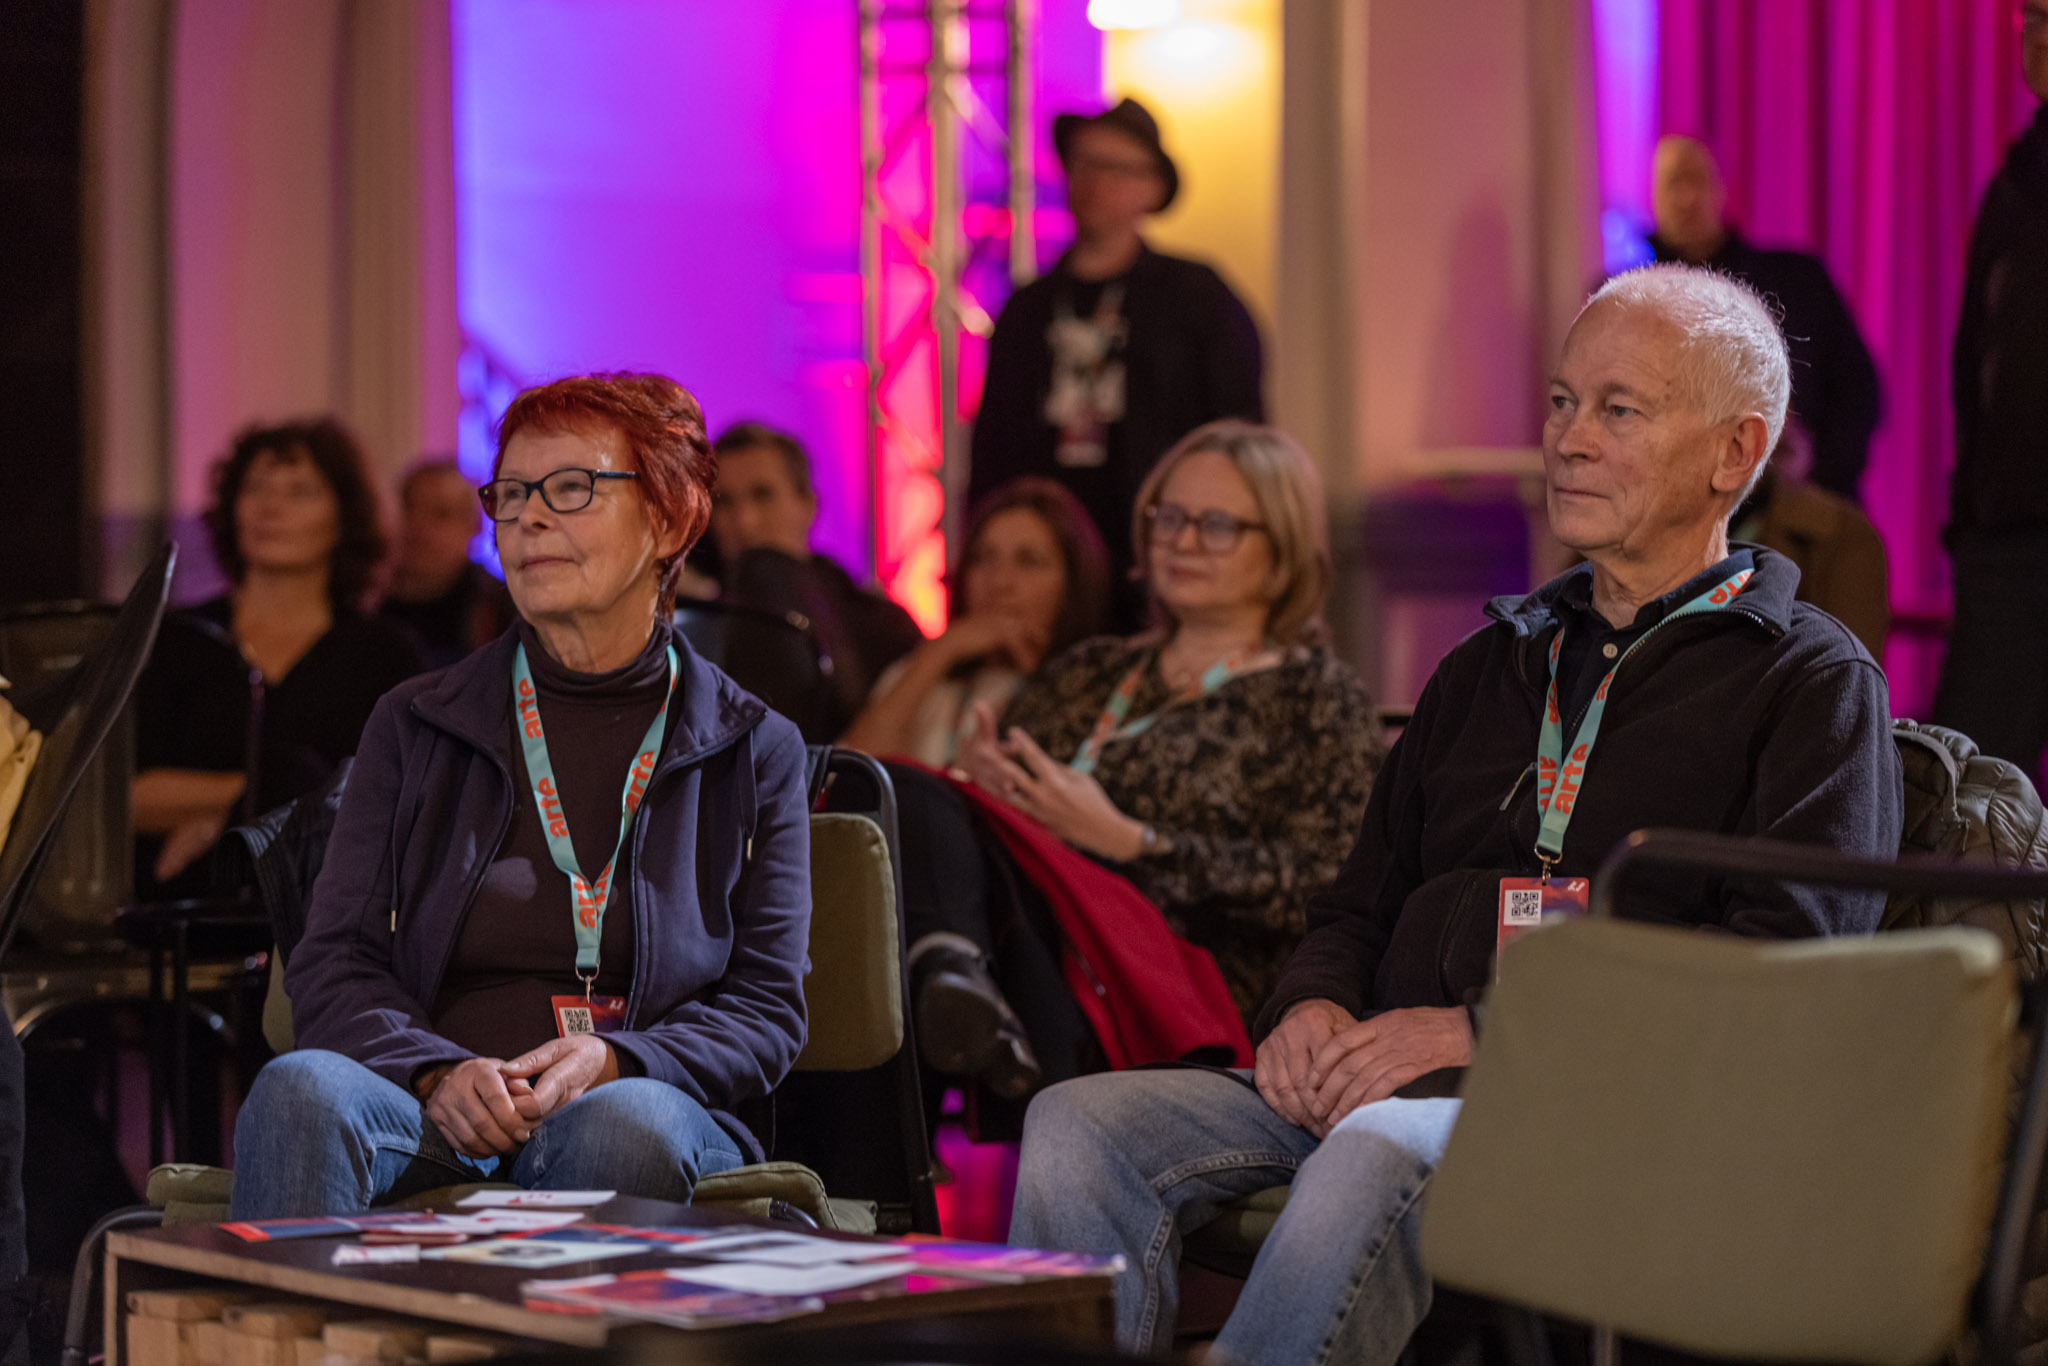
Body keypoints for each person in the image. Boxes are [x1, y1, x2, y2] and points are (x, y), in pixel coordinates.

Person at [1008, 265, 1903, 1366]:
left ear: (1731, 453)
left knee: (1375, 1147)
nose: (1565, 439)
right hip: (1383, 1076)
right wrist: (1311, 1007)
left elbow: (1781, 979)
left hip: (1610, 1102)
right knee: (1078, 1124)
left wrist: (1483, 1033)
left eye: (1616, 409)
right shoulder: (1487, 663)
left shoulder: (1806, 679)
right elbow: (1353, 903)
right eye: (1561, 401)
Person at [227, 373, 812, 1219]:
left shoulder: (755, 747)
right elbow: (333, 963)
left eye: (572, 489)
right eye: (511, 494)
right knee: (301, 1089)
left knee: (625, 1125)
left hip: (648, 1104)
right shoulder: (417, 721)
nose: (528, 517)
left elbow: (765, 1012)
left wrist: (616, 1062)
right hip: (444, 1109)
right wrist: (432, 1070)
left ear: (671, 518)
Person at [897, 421, 1380, 1102]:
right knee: (906, 796)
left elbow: (1329, 886)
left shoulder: (1314, 696)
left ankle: (951, 984)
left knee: (911, 920)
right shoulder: (1093, 670)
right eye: (1169, 517)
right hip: (1045, 940)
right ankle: (945, 992)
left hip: (1186, 982)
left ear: (1282, 551)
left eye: (1215, 525)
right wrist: (984, 785)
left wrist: (1133, 843)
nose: (1181, 541)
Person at [970, 98, 1265, 630]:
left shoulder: (1197, 300)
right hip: (1046, 571)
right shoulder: (1028, 309)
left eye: (1116, 168)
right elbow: (991, 447)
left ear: (1152, 189)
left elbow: (1241, 437)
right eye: (1084, 163)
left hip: (1162, 555)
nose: (1095, 182)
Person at [132, 419, 424, 896]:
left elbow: (388, 799)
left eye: (300, 491)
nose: (272, 506)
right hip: (183, 917)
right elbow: (126, 797)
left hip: (325, 920)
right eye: (256, 488)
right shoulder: (175, 638)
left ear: (343, 516)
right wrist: (279, 794)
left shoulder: (385, 653)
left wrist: (218, 818)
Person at [1934, 0, 2048, 780]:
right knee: (1967, 795)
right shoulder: (2017, 181)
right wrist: (1970, 512)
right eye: (2027, 19)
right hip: (2010, 533)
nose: (2030, 39)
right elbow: (1975, 359)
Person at [1649, 134, 1881, 502]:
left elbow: (1858, 392)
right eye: (1673, 183)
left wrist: (1817, 468)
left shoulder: (1796, 281)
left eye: (1696, 180)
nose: (1686, 198)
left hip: (1796, 498)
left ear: (1721, 188)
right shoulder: (1633, 304)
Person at [841, 479, 1110, 767]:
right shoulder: (924, 676)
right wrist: (943, 649)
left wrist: (1041, 677)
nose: (1000, 581)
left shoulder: (1103, 689)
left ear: (1073, 585)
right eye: (983, 559)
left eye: (1028, 561)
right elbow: (849, 781)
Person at [709, 421, 925, 733]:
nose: (745, 520)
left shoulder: (882, 624)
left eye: (762, 495)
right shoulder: (688, 619)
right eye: (724, 502)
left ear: (807, 505)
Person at [379, 458, 514, 669]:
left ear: (473, 526)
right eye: (410, 507)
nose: (419, 525)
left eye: (441, 514)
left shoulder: (500, 610)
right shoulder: (365, 604)